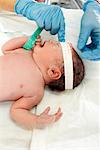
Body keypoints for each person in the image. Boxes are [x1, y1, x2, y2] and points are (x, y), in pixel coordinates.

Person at [0, 36, 84, 129]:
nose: (51, 41)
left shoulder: (36, 92)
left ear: (53, 72)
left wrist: (35, 121)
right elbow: (5, 49)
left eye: (56, 45)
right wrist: (26, 40)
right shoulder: (25, 52)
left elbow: (16, 110)